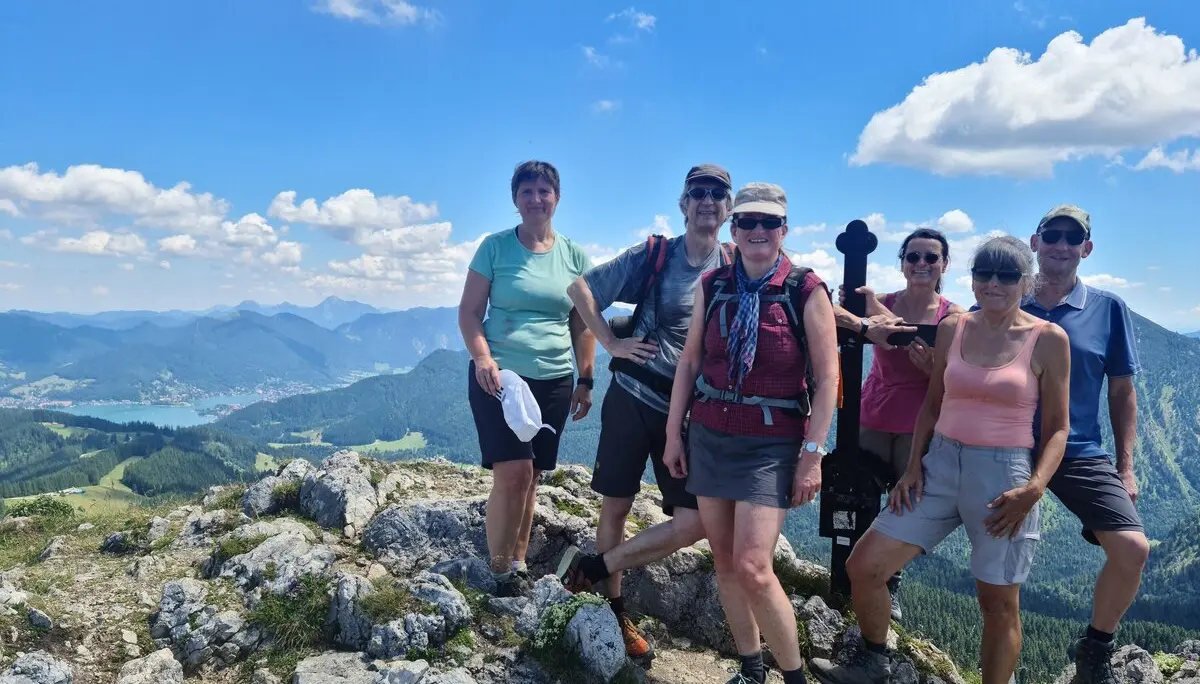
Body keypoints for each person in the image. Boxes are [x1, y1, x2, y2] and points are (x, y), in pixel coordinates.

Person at [810, 235, 1072, 684]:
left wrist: (1034, 488)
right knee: (864, 565)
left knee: (998, 602)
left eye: (1007, 275)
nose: (994, 283)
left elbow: (1057, 428)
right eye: (984, 274)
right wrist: (914, 466)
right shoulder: (955, 327)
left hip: (1003, 476)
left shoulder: (1048, 340)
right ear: (971, 280)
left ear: (1025, 282)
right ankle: (874, 663)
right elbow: (933, 404)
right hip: (940, 462)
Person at [555, 163, 737, 665]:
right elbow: (580, 290)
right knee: (615, 506)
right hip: (634, 397)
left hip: (690, 414)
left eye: (718, 194)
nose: (707, 201)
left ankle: (598, 566)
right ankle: (614, 612)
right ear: (683, 204)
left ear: (728, 207)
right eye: (698, 193)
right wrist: (610, 342)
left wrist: (858, 322)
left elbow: (798, 296)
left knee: (694, 519)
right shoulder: (658, 255)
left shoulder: (737, 262)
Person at [663, 182, 840, 684]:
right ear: (733, 228)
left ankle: (793, 676)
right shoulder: (713, 285)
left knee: (754, 566)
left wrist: (812, 454)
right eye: (747, 222)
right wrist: (675, 434)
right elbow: (691, 361)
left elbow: (827, 380)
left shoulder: (806, 289)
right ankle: (750, 668)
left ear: (784, 229)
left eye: (768, 223)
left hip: (771, 443)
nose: (757, 231)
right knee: (724, 561)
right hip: (712, 433)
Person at [1021, 205, 1149, 684]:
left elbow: (1121, 389)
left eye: (1071, 239)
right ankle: (889, 585)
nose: (1059, 244)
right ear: (1034, 242)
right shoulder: (1007, 296)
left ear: (1086, 250)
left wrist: (1126, 467)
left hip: (1077, 450)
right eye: (1050, 234)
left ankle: (1096, 647)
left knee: (1132, 549)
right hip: (1008, 444)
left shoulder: (1109, 309)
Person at [458, 160, 596, 597]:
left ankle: (516, 559)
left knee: (533, 474)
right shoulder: (495, 248)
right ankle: (499, 571)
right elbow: (469, 312)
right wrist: (483, 359)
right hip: (500, 378)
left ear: (557, 197)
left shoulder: (574, 256)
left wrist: (586, 378)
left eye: (544, 191)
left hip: (555, 378)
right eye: (527, 191)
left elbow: (582, 323)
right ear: (515, 200)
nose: (536, 199)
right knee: (514, 472)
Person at [833, 227, 966, 620]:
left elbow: (960, 376)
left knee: (904, 500)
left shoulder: (953, 316)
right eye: (913, 257)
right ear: (902, 262)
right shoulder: (880, 303)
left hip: (919, 419)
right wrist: (866, 310)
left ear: (944, 264)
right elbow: (828, 313)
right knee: (862, 494)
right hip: (873, 411)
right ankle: (854, 579)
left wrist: (931, 371)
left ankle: (888, 579)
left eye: (930, 257)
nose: (921, 264)